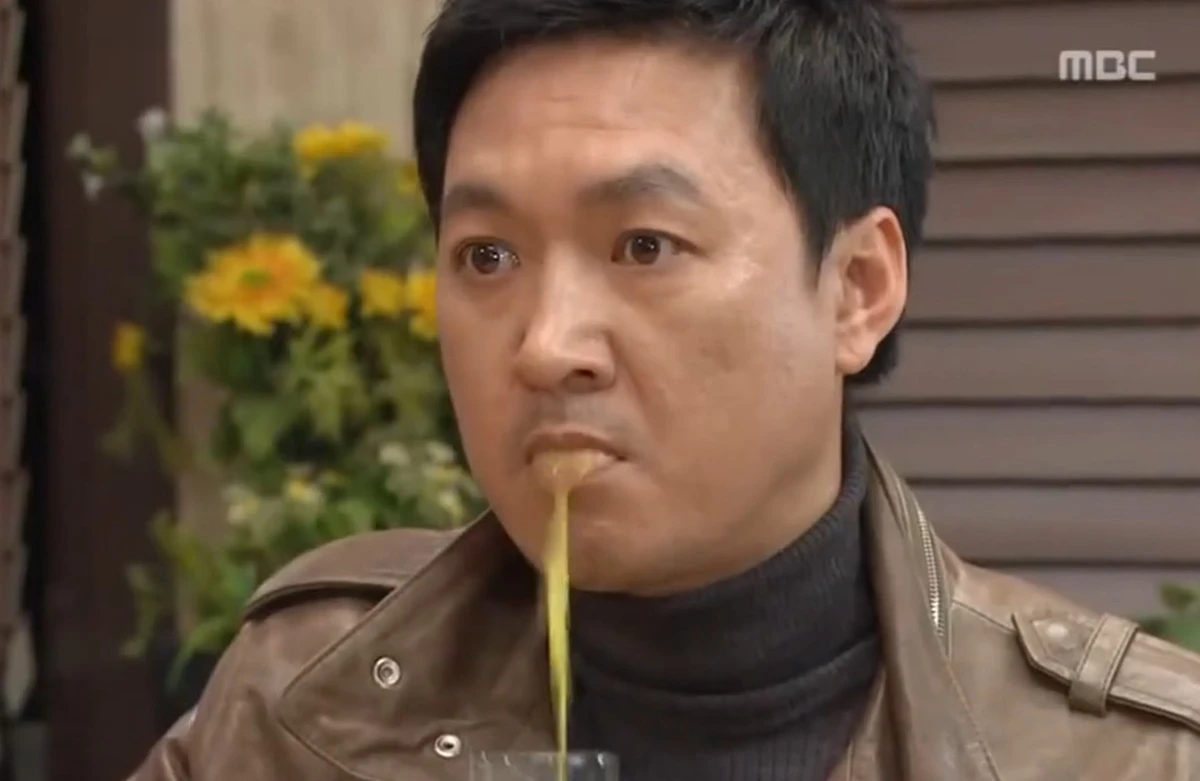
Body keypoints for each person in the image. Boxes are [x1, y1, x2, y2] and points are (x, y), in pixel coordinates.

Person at [127, 1, 1200, 779]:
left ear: (858, 289)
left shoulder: (1123, 756)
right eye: (488, 256)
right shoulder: (306, 701)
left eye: (644, 245)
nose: (546, 346)